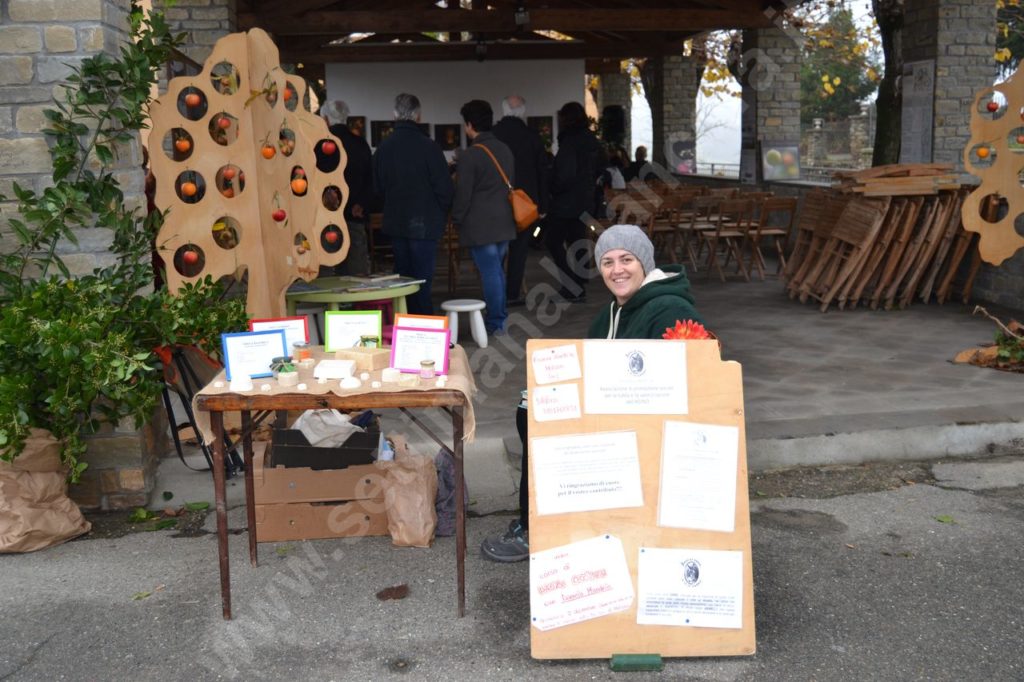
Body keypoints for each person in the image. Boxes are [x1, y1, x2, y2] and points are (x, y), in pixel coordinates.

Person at [480, 224, 706, 563]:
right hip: (618, 412)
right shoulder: (611, 312)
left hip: (647, 428)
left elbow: (697, 383)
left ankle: (539, 530)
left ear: (644, 262)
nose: (617, 270)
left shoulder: (671, 310)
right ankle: (540, 519)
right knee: (532, 407)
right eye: (608, 262)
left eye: (626, 259)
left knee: (539, 419)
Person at [372, 93, 455, 315]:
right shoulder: (429, 147)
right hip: (426, 223)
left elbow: (377, 189)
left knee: (403, 280)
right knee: (423, 281)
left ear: (394, 115)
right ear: (418, 116)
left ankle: (404, 324)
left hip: (396, 222)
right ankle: (425, 328)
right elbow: (445, 189)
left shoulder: (384, 149)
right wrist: (440, 214)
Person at [451, 99, 517, 335]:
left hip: (481, 227)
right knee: (497, 271)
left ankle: (496, 321)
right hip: (505, 223)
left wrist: (456, 219)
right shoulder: (505, 149)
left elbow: (463, 195)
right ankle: (499, 318)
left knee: (491, 273)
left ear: (469, 124)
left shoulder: (471, 155)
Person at [491, 94, 549, 307]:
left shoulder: (493, 135)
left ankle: (495, 294)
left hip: (496, 202)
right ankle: (512, 294)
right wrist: (543, 205)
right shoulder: (531, 136)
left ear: (503, 109)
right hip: (525, 204)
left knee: (497, 251)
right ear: (523, 111)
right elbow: (542, 171)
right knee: (519, 251)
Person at [546, 101, 605, 303]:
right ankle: (579, 281)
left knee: (553, 241)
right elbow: (601, 167)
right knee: (577, 240)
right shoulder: (591, 141)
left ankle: (573, 284)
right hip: (586, 200)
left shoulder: (569, 142)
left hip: (566, 202)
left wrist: (552, 187)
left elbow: (564, 175)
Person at [318, 99, 372, 275]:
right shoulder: (361, 144)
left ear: (325, 118)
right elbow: (370, 179)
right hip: (354, 216)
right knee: (355, 275)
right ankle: (356, 303)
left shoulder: (319, 144)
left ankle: (331, 303)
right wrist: (361, 204)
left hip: (327, 218)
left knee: (328, 277)